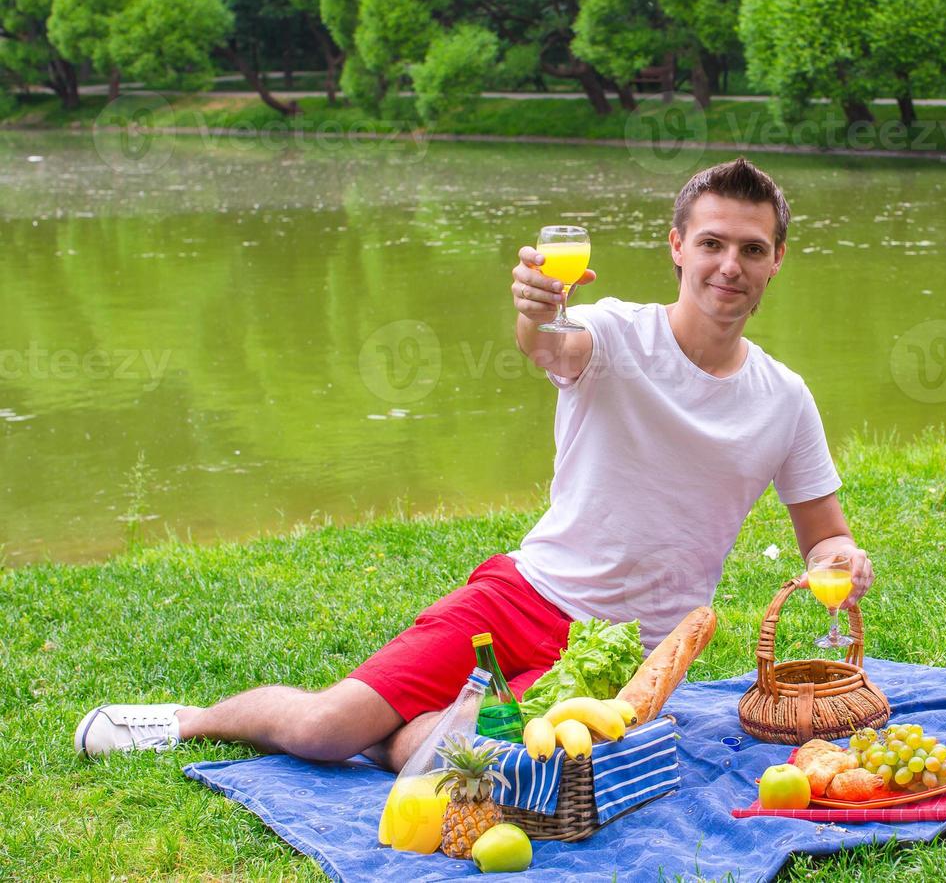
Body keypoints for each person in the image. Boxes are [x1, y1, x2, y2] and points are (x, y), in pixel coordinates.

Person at [74, 157, 874, 769]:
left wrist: (843, 561)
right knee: (325, 731)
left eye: (751, 248)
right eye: (711, 243)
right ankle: (190, 721)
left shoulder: (784, 398)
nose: (728, 266)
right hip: (523, 598)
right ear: (676, 247)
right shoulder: (616, 334)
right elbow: (552, 346)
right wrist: (536, 310)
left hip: (632, 656)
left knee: (504, 759)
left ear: (777, 261)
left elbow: (824, 543)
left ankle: (424, 736)